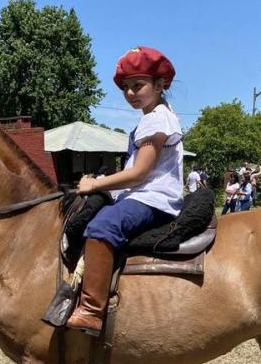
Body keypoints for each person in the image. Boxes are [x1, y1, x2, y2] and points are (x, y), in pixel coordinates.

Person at [66, 46, 183, 336]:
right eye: (126, 88)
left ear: (159, 85)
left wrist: (94, 184)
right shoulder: (153, 116)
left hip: (153, 198)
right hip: (143, 195)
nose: (131, 93)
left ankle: (92, 311)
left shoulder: (157, 119)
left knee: (102, 225)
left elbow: (139, 173)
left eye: (138, 85)